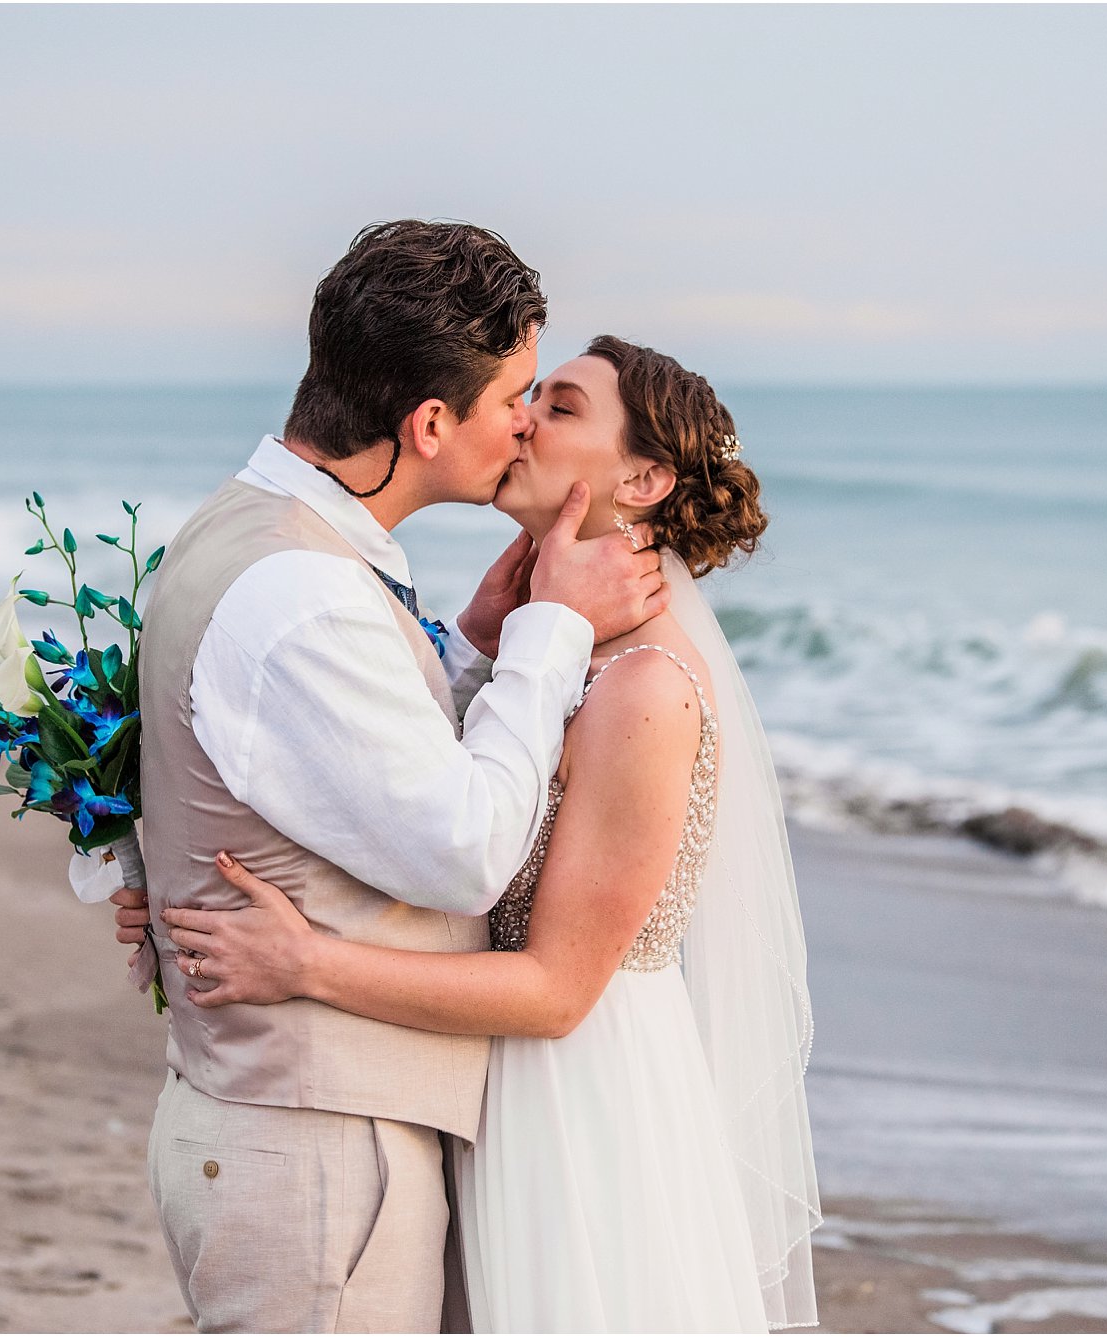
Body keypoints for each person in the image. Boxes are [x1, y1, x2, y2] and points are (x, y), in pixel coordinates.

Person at [153, 336, 825, 1332]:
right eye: (526, 397)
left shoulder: (643, 688)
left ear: (639, 477)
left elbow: (555, 989)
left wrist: (305, 961)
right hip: (481, 1087)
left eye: (558, 407)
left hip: (577, 1108)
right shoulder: (547, 646)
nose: (520, 420)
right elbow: (402, 799)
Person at [94, 222, 670, 1334]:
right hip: (313, 1144)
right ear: (429, 423)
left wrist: (466, 644)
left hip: (310, 1129)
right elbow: (462, 851)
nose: (522, 421)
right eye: (514, 397)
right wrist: (550, 632)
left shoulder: (262, 535)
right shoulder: (299, 591)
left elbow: (315, 758)